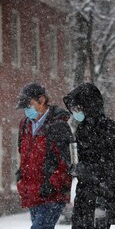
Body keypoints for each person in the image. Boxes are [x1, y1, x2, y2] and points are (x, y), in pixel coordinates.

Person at [63, 83, 115, 229]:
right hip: (85, 199)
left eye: (78, 108)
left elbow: (114, 164)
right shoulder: (82, 130)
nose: (75, 112)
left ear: (89, 106)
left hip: (101, 201)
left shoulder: (109, 131)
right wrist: (75, 167)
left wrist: (91, 172)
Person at [15, 83, 73, 229]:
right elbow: (23, 156)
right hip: (33, 194)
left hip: (52, 195)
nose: (26, 111)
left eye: (29, 105)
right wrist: (20, 177)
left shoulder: (58, 126)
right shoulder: (24, 125)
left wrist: (50, 185)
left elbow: (67, 163)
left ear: (41, 100)